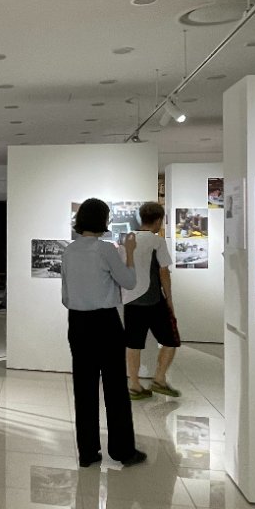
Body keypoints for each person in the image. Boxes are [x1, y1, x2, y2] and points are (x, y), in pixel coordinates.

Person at [61, 198, 146, 468]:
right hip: (105, 322)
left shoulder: (69, 251)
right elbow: (129, 281)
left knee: (84, 387)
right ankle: (123, 450)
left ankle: (87, 452)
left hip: (77, 322)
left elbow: (65, 297)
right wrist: (129, 252)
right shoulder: (106, 249)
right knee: (115, 387)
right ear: (102, 220)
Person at [123, 202, 181, 400]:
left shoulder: (127, 239)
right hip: (153, 300)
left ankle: (134, 385)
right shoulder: (157, 242)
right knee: (171, 340)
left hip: (130, 300)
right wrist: (169, 299)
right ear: (158, 220)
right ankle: (159, 379)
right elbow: (163, 272)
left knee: (133, 344)